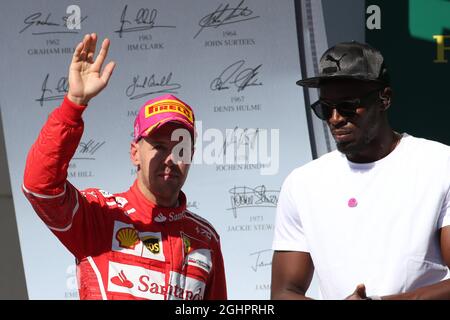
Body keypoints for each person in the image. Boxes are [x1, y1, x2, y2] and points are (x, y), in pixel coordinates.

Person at [22, 33, 227, 300]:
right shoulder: (100, 215)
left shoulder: (205, 238)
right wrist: (73, 105)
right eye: (159, 146)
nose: (170, 158)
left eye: (180, 148)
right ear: (135, 154)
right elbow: (40, 186)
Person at [271, 41, 450, 300]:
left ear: (384, 99)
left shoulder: (439, 165)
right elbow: (283, 292)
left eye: (347, 106)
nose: (335, 118)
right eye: (325, 108)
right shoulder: (302, 183)